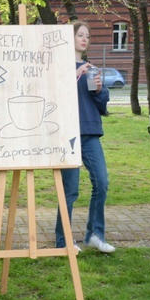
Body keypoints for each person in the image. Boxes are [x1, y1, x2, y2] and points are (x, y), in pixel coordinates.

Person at [54, 21, 116, 254]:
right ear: (69, 38)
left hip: (90, 132)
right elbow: (55, 94)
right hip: (66, 134)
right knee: (69, 191)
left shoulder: (92, 69)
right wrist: (74, 74)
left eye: (87, 36)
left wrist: (100, 90)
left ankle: (95, 235)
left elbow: (101, 105)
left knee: (102, 182)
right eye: (80, 35)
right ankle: (63, 241)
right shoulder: (58, 67)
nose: (84, 39)